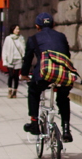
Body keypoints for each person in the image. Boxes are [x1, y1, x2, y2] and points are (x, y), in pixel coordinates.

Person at [21, 13, 74, 143]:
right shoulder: (61, 36)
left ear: (37, 26)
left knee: (33, 91)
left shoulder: (33, 39)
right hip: (63, 74)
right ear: (53, 25)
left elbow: (27, 59)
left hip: (43, 74)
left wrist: (24, 74)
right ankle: (66, 128)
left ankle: (34, 122)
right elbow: (67, 55)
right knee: (63, 98)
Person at [2, 25, 26, 98]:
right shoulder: (8, 38)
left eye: (18, 29)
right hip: (10, 59)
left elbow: (24, 49)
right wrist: (4, 60)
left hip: (18, 59)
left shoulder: (21, 38)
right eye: (16, 29)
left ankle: (15, 91)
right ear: (12, 30)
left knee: (16, 76)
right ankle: (10, 90)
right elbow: (5, 49)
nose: (17, 30)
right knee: (11, 75)